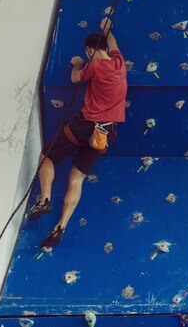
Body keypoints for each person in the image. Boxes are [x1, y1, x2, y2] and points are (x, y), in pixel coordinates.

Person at [28, 18, 127, 249]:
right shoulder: (118, 63)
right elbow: (113, 45)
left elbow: (75, 77)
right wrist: (108, 30)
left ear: (91, 50)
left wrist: (76, 63)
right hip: (106, 134)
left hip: (85, 126)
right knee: (76, 178)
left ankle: (44, 199)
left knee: (47, 156)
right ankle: (61, 226)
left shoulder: (93, 66)